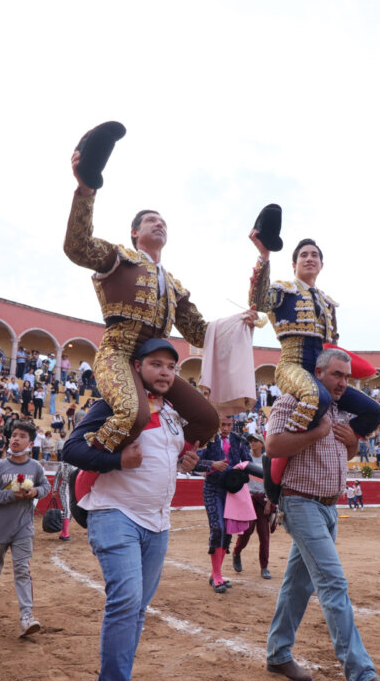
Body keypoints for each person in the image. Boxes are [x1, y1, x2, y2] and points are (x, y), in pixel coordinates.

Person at [62, 338, 204, 681]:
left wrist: (184, 462)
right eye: (156, 365)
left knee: (136, 610)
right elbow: (72, 448)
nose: (164, 373)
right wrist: (116, 461)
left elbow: (164, 459)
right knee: (125, 603)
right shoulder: (114, 405)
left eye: (170, 368)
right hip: (114, 513)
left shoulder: (175, 416)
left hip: (157, 524)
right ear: (137, 367)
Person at [63, 143, 248, 452]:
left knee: (207, 421)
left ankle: (169, 458)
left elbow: (200, 334)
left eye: (163, 222)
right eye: (151, 221)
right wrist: (86, 190)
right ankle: (89, 463)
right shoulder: (118, 258)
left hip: (157, 362)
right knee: (132, 415)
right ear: (134, 232)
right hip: (118, 353)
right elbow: (77, 246)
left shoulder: (173, 284)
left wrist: (240, 322)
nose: (160, 224)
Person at [263, 347, 380, 681]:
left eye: (347, 377)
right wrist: (319, 431)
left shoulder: (343, 411)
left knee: (299, 584)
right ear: (318, 374)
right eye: (337, 375)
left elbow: (346, 452)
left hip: (328, 508)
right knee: (333, 583)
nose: (343, 382)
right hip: (300, 502)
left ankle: (278, 652)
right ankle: (363, 678)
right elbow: (273, 445)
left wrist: (352, 441)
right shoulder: (292, 403)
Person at [248, 236, 380, 495]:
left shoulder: (328, 303)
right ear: (294, 264)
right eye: (303, 255)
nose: (309, 258)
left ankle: (335, 441)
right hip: (292, 366)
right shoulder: (283, 290)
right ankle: (279, 459)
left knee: (373, 411)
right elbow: (258, 299)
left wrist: (351, 435)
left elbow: (332, 346)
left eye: (314, 255)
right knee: (314, 395)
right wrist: (264, 256)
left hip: (322, 373)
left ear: (321, 264)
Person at [0, 421, 51, 638]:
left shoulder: (36, 467)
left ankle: (27, 616)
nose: (15, 439)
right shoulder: (0, 467)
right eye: (14, 436)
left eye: (21, 436)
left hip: (23, 528)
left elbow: (45, 487)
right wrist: (11, 495)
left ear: (31, 442)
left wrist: (35, 491)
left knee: (22, 570)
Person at [195, 414, 251, 591]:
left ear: (233, 423)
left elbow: (247, 462)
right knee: (218, 528)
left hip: (230, 491)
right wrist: (212, 464)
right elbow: (193, 463)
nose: (225, 428)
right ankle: (217, 576)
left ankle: (215, 574)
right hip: (212, 489)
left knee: (227, 531)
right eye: (222, 424)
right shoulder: (208, 439)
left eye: (229, 424)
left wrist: (241, 473)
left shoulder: (238, 440)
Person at [232, 434, 275, 579]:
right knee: (246, 532)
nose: (252, 444)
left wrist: (269, 502)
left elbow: (271, 483)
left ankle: (264, 567)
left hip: (262, 500)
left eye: (255, 441)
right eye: (251, 441)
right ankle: (236, 552)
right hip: (248, 500)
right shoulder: (245, 458)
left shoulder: (267, 460)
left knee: (264, 535)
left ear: (262, 444)